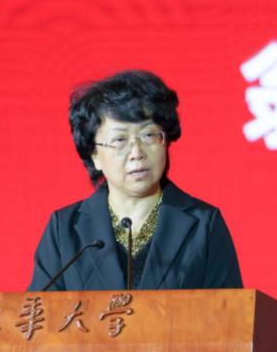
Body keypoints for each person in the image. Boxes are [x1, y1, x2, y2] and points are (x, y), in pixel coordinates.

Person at [29, 70, 243, 291]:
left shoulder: (204, 225)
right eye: (119, 140)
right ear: (95, 156)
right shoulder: (64, 228)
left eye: (148, 135)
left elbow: (229, 310)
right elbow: (38, 309)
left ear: (165, 141)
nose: (137, 152)